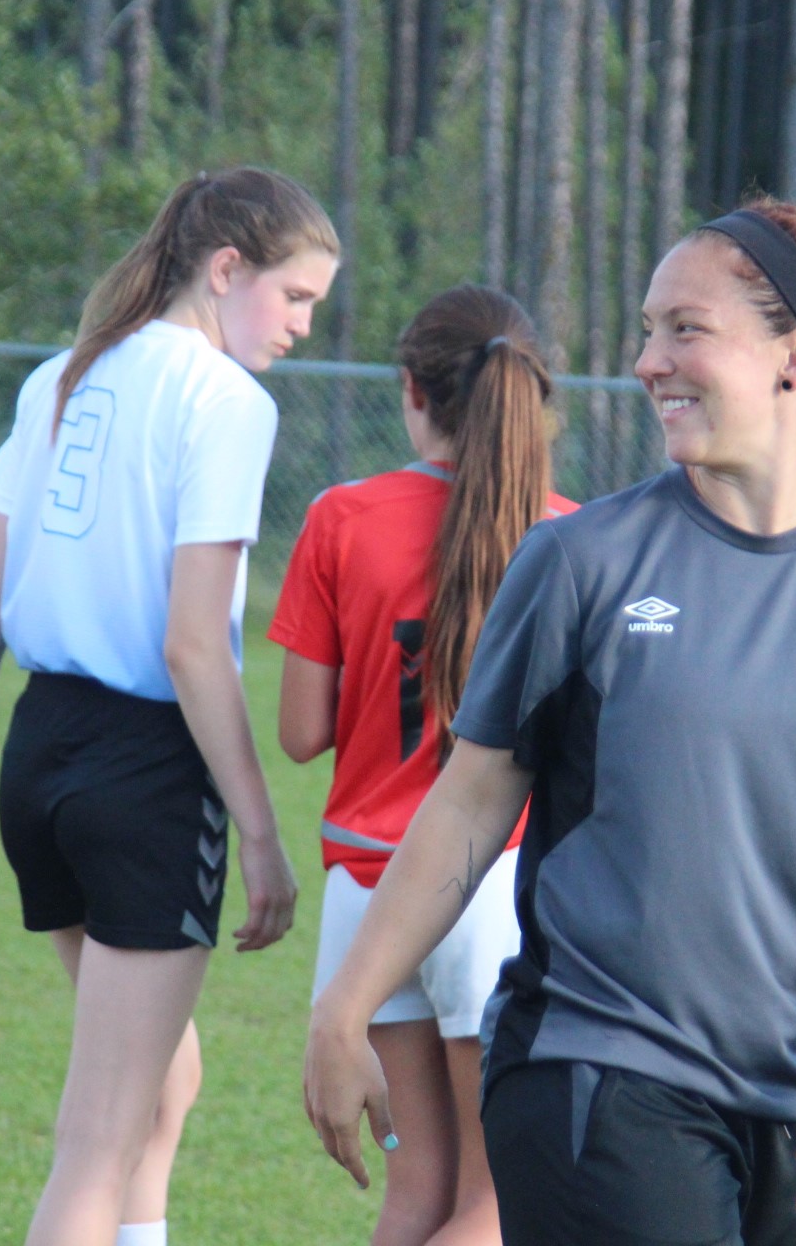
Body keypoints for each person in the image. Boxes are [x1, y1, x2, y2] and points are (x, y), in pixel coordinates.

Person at [304, 175, 796, 1244]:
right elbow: (470, 802)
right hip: (594, 1070)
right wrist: (347, 1001)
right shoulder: (583, 559)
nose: (647, 362)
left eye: (685, 329)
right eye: (644, 331)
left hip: (787, 1102)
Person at [0, 167, 336, 1246]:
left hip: (38, 759)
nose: (301, 326)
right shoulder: (228, 400)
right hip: (146, 769)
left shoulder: (64, 371)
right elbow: (195, 644)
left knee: (167, 1078)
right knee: (95, 1141)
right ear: (227, 267)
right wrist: (259, 832)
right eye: (295, 298)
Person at [272, 285, 577, 1245]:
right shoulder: (574, 535)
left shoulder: (341, 518)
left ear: (412, 391)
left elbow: (299, 730)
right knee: (494, 1206)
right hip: (496, 888)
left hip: (369, 894)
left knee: (418, 1196)